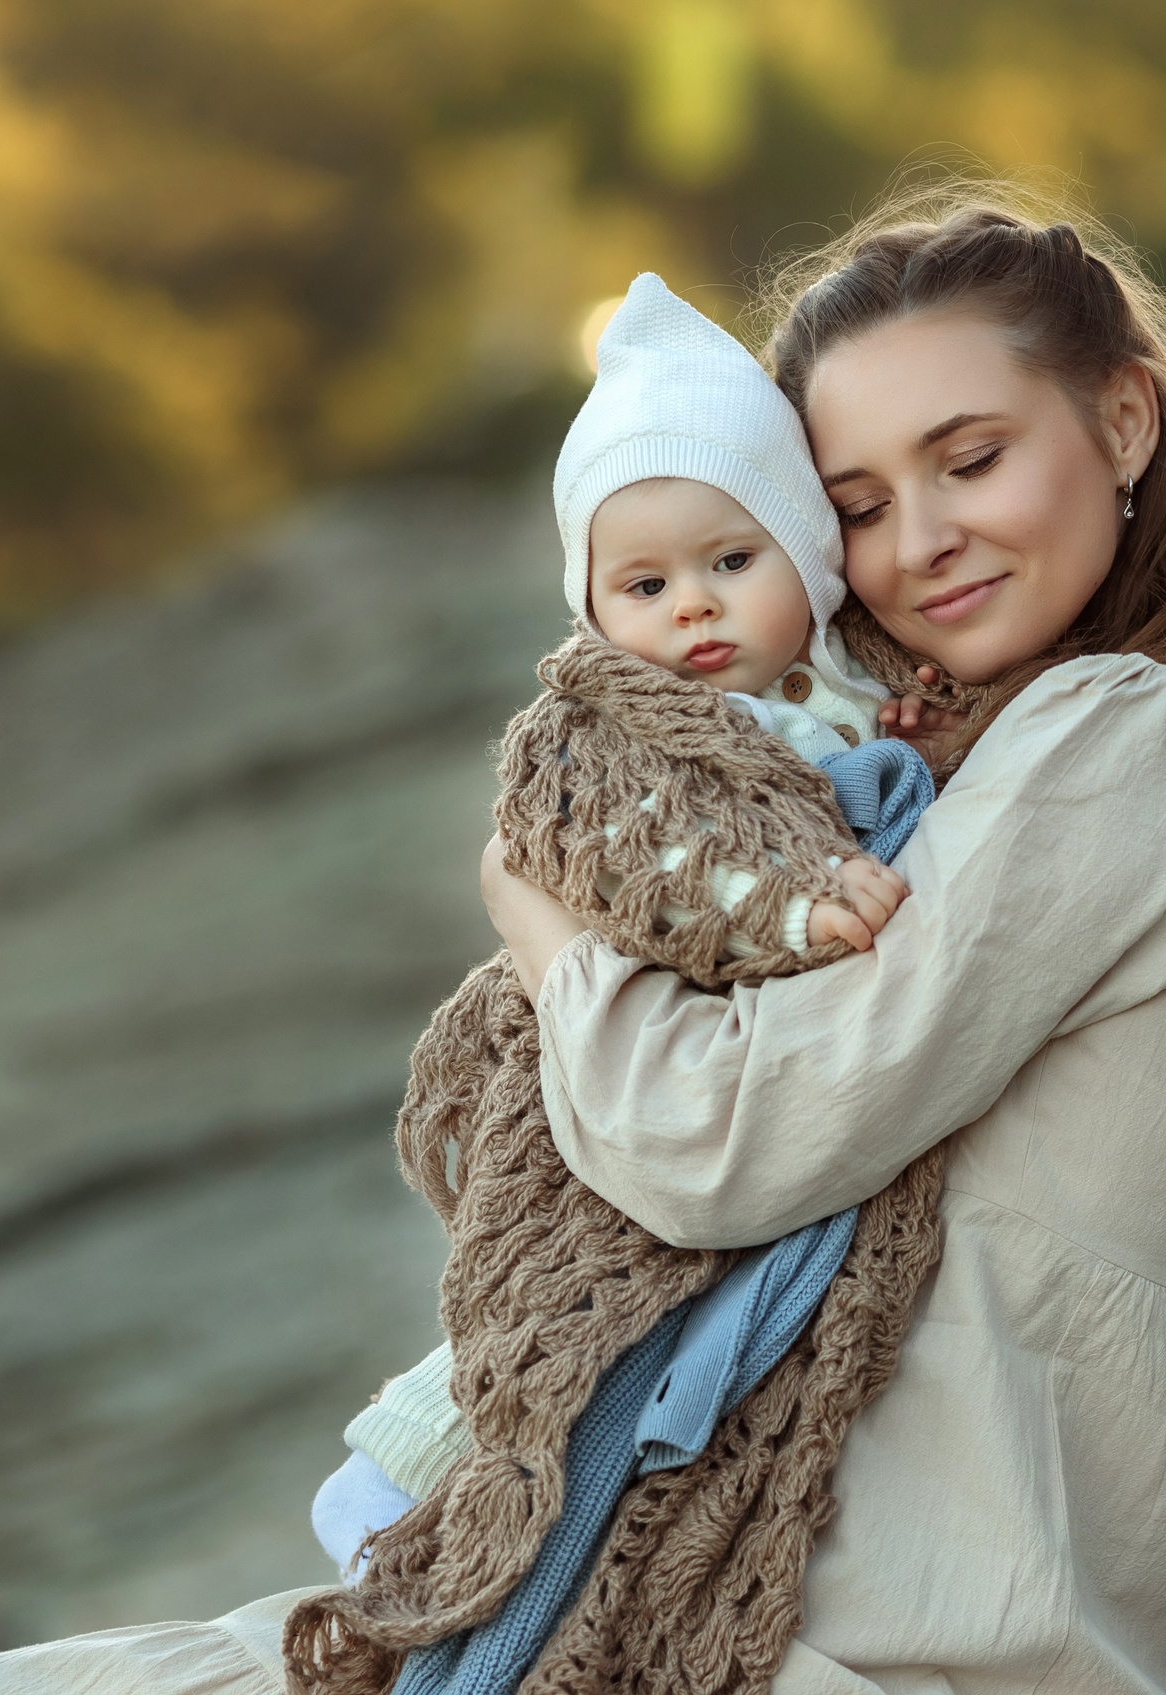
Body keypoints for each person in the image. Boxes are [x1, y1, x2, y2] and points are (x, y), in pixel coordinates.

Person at [0, 184, 1166, 1695]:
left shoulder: (1145, 733)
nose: (921, 542)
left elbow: (731, 1140)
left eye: (971, 460)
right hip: (709, 1577)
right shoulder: (909, 776)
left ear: (1122, 423)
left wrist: (554, 940)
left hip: (908, 1643)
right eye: (852, 505)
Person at [310, 268, 928, 1588]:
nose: (691, 608)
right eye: (641, 585)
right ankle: (386, 1497)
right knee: (557, 1290)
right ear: (593, 610)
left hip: (742, 1084)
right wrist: (786, 906)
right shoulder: (605, 737)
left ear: (807, 559)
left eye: (729, 561)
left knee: (644, 1319)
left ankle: (557, 1519)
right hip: (597, 1066)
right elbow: (651, 870)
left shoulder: (856, 700)